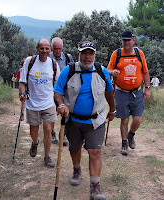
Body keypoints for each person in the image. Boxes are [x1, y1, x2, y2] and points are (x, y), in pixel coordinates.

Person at [54, 41, 116, 200]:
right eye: (84, 53)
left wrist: (113, 110)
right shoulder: (69, 70)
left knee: (95, 152)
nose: (87, 57)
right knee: (74, 149)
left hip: (96, 121)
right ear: (78, 55)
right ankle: (77, 169)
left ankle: (95, 188)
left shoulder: (102, 72)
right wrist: (61, 104)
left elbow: (109, 93)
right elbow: (58, 92)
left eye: (90, 53)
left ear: (95, 55)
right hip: (73, 121)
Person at [107, 30, 151, 156]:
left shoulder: (139, 53)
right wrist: (112, 73)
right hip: (121, 92)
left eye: (128, 40)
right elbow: (108, 69)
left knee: (137, 119)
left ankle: (131, 135)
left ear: (133, 41)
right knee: (124, 120)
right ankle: (124, 143)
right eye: (124, 40)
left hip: (136, 92)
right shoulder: (117, 54)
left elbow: (145, 72)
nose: (126, 42)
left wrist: (147, 88)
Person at [19, 38, 60, 168]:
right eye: (42, 48)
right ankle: (35, 142)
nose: (44, 51)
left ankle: (47, 156)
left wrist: (59, 103)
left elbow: (58, 84)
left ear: (50, 50)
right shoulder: (29, 62)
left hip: (48, 102)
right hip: (32, 103)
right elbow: (22, 81)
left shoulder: (53, 64)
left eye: (47, 48)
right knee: (34, 130)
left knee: (48, 129)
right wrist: (22, 93)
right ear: (37, 48)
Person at [49, 37, 73, 146]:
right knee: (53, 113)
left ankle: (62, 134)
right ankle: (52, 133)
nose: (58, 51)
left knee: (65, 112)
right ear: (51, 48)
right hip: (50, 90)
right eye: (55, 49)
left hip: (65, 90)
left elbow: (73, 72)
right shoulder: (47, 58)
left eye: (59, 49)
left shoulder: (68, 58)